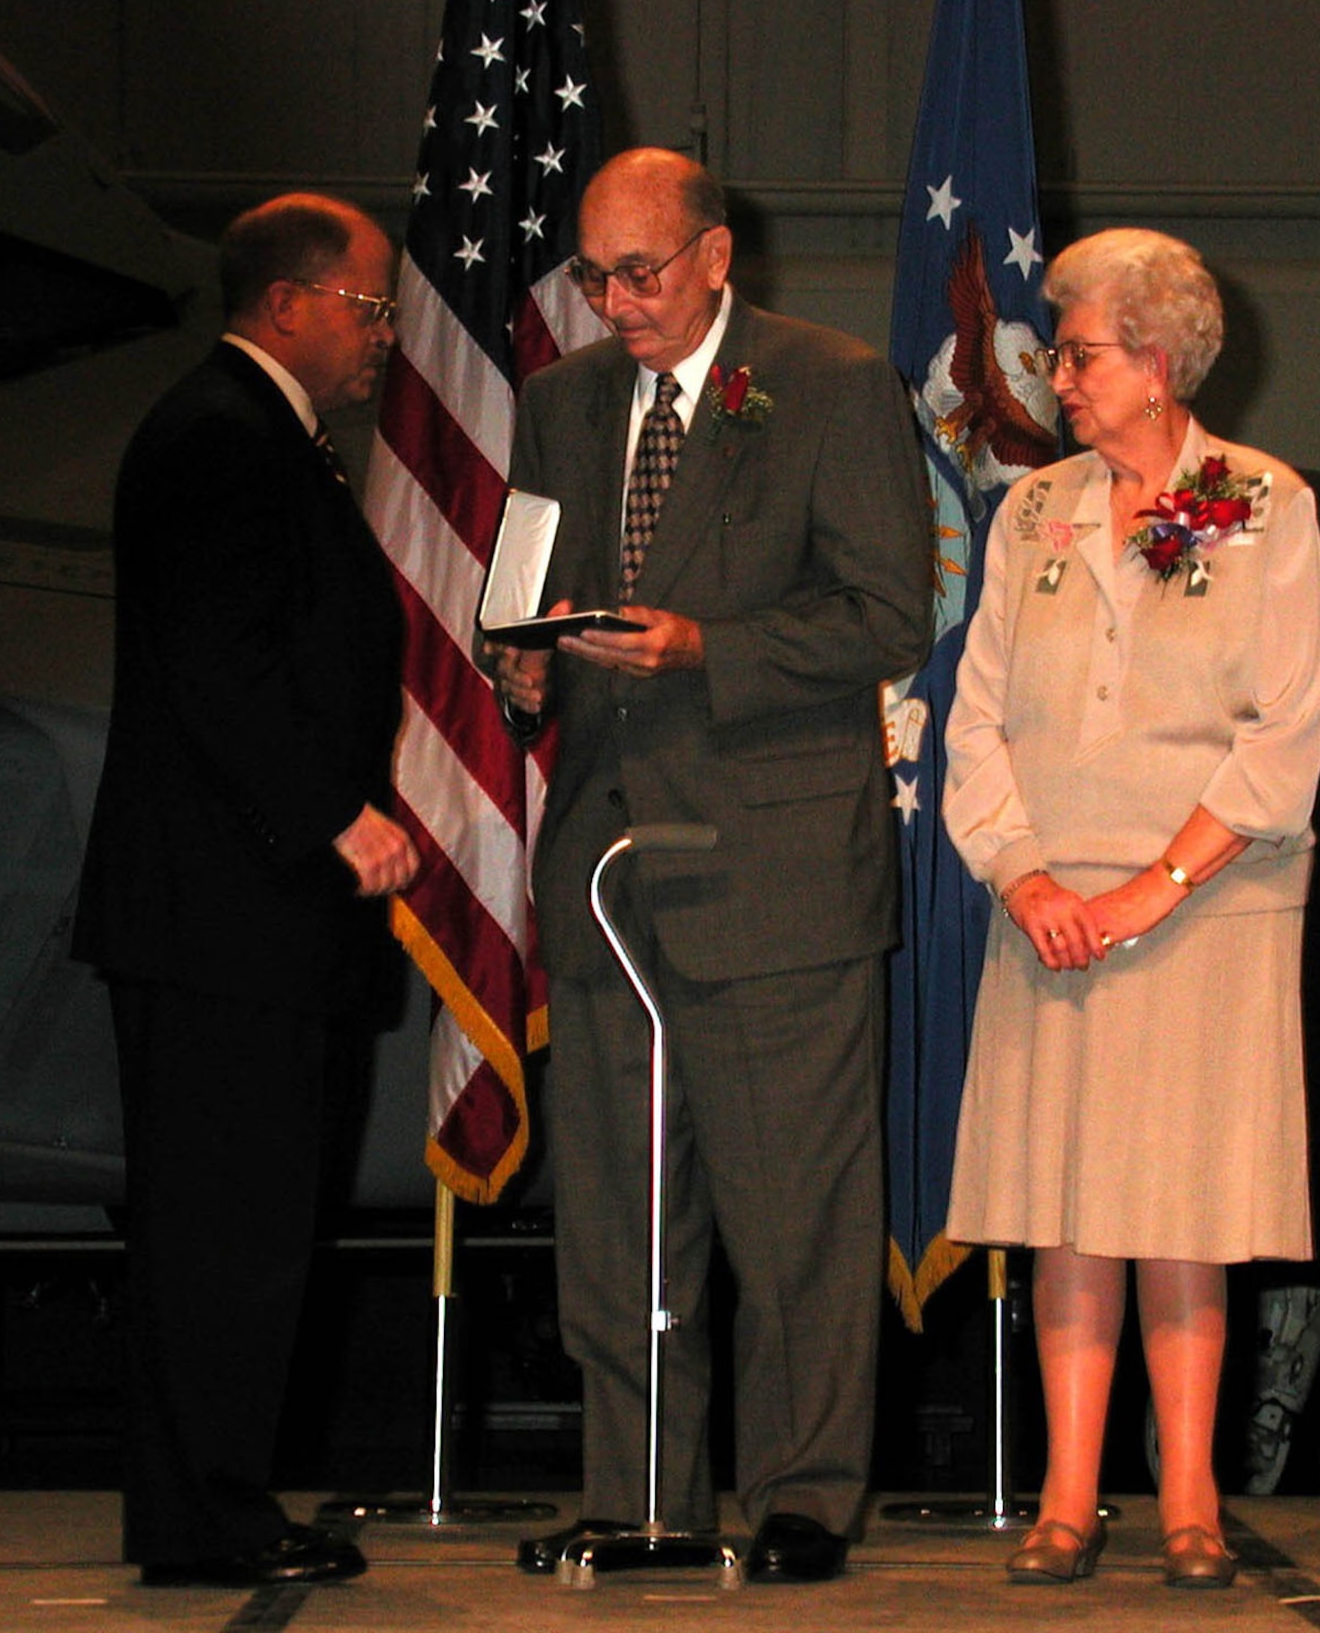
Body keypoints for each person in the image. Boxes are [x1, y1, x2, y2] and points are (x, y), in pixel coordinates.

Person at [489, 148, 930, 1584]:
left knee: (796, 1203)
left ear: (716, 256)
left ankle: (803, 1494)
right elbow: (519, 607)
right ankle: (641, 1492)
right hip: (612, 872)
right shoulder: (557, 404)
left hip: (778, 864)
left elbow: (886, 617)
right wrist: (524, 670)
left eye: (643, 271)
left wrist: (703, 648)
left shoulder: (831, 380)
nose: (616, 301)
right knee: (619, 1206)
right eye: (594, 274)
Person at [942, 228, 1320, 1589]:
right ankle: (1062, 1497)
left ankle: (1188, 1500)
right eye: (1058, 349)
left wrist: (1151, 890)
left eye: (1082, 351)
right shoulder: (1031, 510)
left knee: (1183, 1208)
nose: (1058, 375)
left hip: (1210, 906)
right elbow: (974, 717)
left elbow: (1286, 736)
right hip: (1047, 906)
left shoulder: (1267, 502)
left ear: (1159, 365)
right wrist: (1029, 876)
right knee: (1068, 1209)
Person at [73, 193, 419, 1588]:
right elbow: (222, 665)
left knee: (251, 1230)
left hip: (248, 917)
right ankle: (201, 1515)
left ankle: (215, 1501)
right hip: (224, 917)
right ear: (290, 301)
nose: (384, 336)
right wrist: (337, 814)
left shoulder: (265, 435)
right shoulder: (221, 436)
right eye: (371, 305)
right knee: (220, 1233)